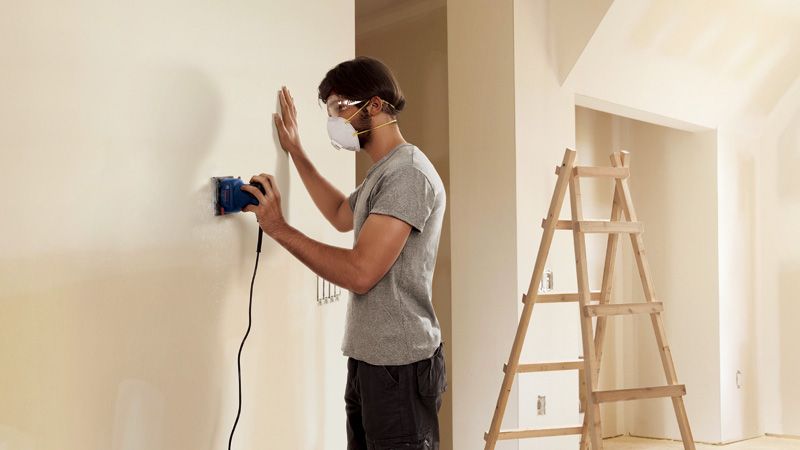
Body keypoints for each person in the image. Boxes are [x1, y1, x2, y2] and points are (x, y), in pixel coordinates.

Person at [241, 56, 447, 449]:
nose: (335, 120)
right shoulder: (383, 171)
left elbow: (360, 272)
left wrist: (278, 227)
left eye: (340, 108)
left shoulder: (408, 174)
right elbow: (340, 215)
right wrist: (296, 151)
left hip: (399, 366)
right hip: (371, 360)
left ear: (374, 106)